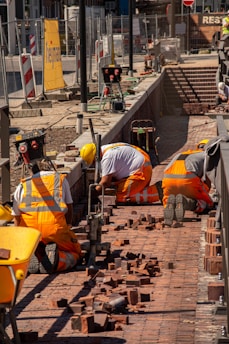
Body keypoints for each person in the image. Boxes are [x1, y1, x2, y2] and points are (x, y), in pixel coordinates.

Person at [12, 160, 82, 274]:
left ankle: (32, 257)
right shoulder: (60, 180)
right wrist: (67, 227)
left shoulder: (23, 184)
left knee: (33, 247)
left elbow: (16, 216)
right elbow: (69, 207)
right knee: (75, 253)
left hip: (30, 234)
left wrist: (20, 240)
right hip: (54, 230)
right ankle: (58, 260)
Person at [80, 142, 163, 204]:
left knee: (120, 197)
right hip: (142, 163)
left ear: (96, 157)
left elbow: (105, 182)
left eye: (93, 162)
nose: (94, 164)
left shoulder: (107, 157)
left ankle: (157, 192)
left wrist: (94, 192)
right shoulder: (106, 148)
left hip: (141, 172)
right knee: (117, 186)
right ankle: (140, 188)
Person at [162, 139, 214, 226]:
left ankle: (169, 203)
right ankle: (186, 202)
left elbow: (166, 170)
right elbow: (207, 179)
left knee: (170, 196)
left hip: (168, 180)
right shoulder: (206, 155)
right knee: (204, 203)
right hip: (188, 180)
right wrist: (209, 201)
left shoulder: (182, 154)